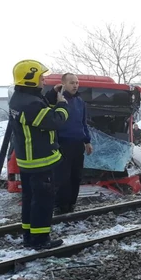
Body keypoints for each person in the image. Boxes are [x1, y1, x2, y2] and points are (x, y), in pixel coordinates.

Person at [9, 60, 68, 250]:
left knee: (30, 199)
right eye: (41, 77)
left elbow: (39, 109)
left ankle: (29, 236)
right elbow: (53, 120)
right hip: (40, 161)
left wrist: (51, 95)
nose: (44, 80)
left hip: (28, 160)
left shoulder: (20, 98)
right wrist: (62, 106)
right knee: (43, 201)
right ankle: (41, 240)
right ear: (30, 79)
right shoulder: (30, 104)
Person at [46, 73, 93, 214]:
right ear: (64, 84)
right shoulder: (58, 100)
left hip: (78, 144)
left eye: (77, 82)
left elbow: (83, 123)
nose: (75, 85)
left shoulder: (80, 101)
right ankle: (60, 207)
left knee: (76, 177)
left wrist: (87, 141)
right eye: (72, 83)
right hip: (62, 144)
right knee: (62, 178)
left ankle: (72, 205)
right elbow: (48, 112)